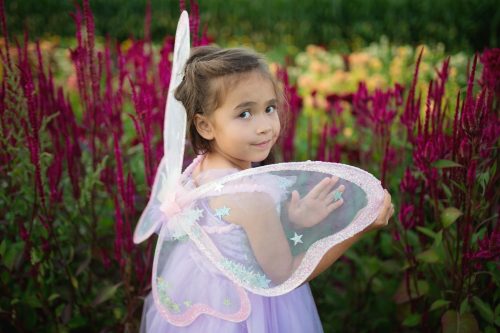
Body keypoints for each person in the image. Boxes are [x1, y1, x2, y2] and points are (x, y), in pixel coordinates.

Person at [139, 46, 394, 332]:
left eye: (269, 108)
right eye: (245, 113)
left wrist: (291, 221)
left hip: (204, 304)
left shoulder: (197, 170)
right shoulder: (252, 199)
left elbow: (234, 238)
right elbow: (284, 273)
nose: (264, 126)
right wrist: (360, 226)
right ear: (205, 126)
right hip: (251, 314)